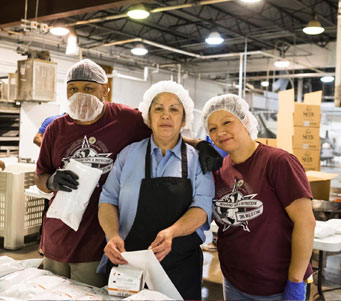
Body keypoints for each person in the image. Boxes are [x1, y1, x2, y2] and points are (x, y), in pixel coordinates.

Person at [34, 59, 221, 288]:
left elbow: (166, 132)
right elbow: (105, 196)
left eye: (89, 88)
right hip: (66, 236)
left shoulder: (126, 120)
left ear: (105, 89)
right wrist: (51, 181)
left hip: (96, 243)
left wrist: (199, 144)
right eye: (72, 89)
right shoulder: (57, 129)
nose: (80, 95)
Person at [97, 80, 215, 300]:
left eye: (174, 109)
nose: (166, 115)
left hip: (180, 268)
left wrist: (172, 232)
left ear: (183, 119)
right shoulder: (128, 155)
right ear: (148, 118)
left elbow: (202, 207)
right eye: (158, 108)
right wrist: (112, 235)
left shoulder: (198, 160)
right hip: (128, 263)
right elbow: (108, 199)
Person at [201, 94, 316, 301]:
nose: (221, 132)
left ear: (245, 120)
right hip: (234, 282)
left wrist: (295, 279)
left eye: (227, 122)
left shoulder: (278, 162)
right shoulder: (220, 170)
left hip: (277, 286)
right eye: (212, 128)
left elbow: (306, 222)